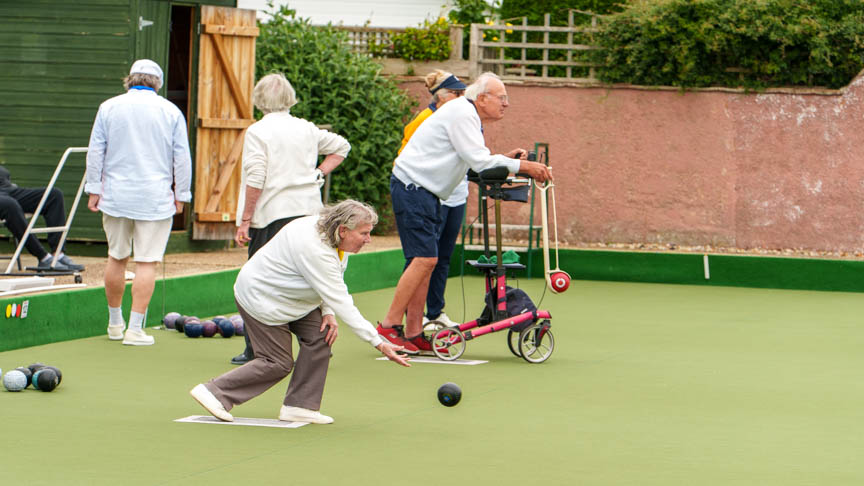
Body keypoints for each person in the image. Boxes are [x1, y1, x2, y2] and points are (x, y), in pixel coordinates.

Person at [190, 200, 410, 424]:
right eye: (364, 233)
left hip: (294, 298)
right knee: (277, 362)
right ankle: (215, 392)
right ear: (343, 229)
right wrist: (379, 342)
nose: (368, 239)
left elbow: (331, 281)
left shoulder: (334, 236)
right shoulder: (315, 248)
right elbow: (341, 298)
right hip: (262, 297)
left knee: (321, 334)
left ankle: (299, 406)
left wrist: (327, 312)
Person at [379, 72, 552, 354]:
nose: (506, 104)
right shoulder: (463, 113)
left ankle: (412, 332)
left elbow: (473, 163)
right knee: (423, 259)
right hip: (414, 188)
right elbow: (480, 162)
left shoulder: (466, 114)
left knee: (427, 262)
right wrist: (524, 167)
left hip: (424, 190)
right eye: (502, 98)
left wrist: (508, 162)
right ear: (482, 98)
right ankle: (388, 326)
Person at [230, 72, 351, 366]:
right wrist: (319, 173)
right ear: (290, 98)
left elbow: (256, 176)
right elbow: (342, 146)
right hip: (308, 213)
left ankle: (257, 350)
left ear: (259, 100)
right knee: (306, 277)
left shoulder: (258, 131)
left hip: (271, 215)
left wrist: (245, 219)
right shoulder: (307, 128)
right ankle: (310, 343)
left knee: (260, 280)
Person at [85, 59, 192, 346]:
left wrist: (93, 189)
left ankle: (114, 323)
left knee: (116, 256)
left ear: (129, 80)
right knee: (147, 262)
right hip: (154, 198)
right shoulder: (170, 111)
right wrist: (182, 194)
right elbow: (181, 157)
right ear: (156, 83)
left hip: (116, 195)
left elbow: (96, 151)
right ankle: (134, 329)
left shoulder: (108, 107)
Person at [397, 70, 467, 328]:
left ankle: (435, 312)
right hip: (428, 195)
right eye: (456, 93)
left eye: (463, 93)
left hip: (455, 195)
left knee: (443, 257)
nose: (462, 98)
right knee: (421, 258)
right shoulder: (425, 119)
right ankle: (409, 317)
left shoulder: (461, 118)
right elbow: (406, 158)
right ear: (441, 96)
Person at [0, 166, 85, 272]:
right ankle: (43, 257)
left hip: (9, 190)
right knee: (10, 205)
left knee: (53, 195)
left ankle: (58, 254)